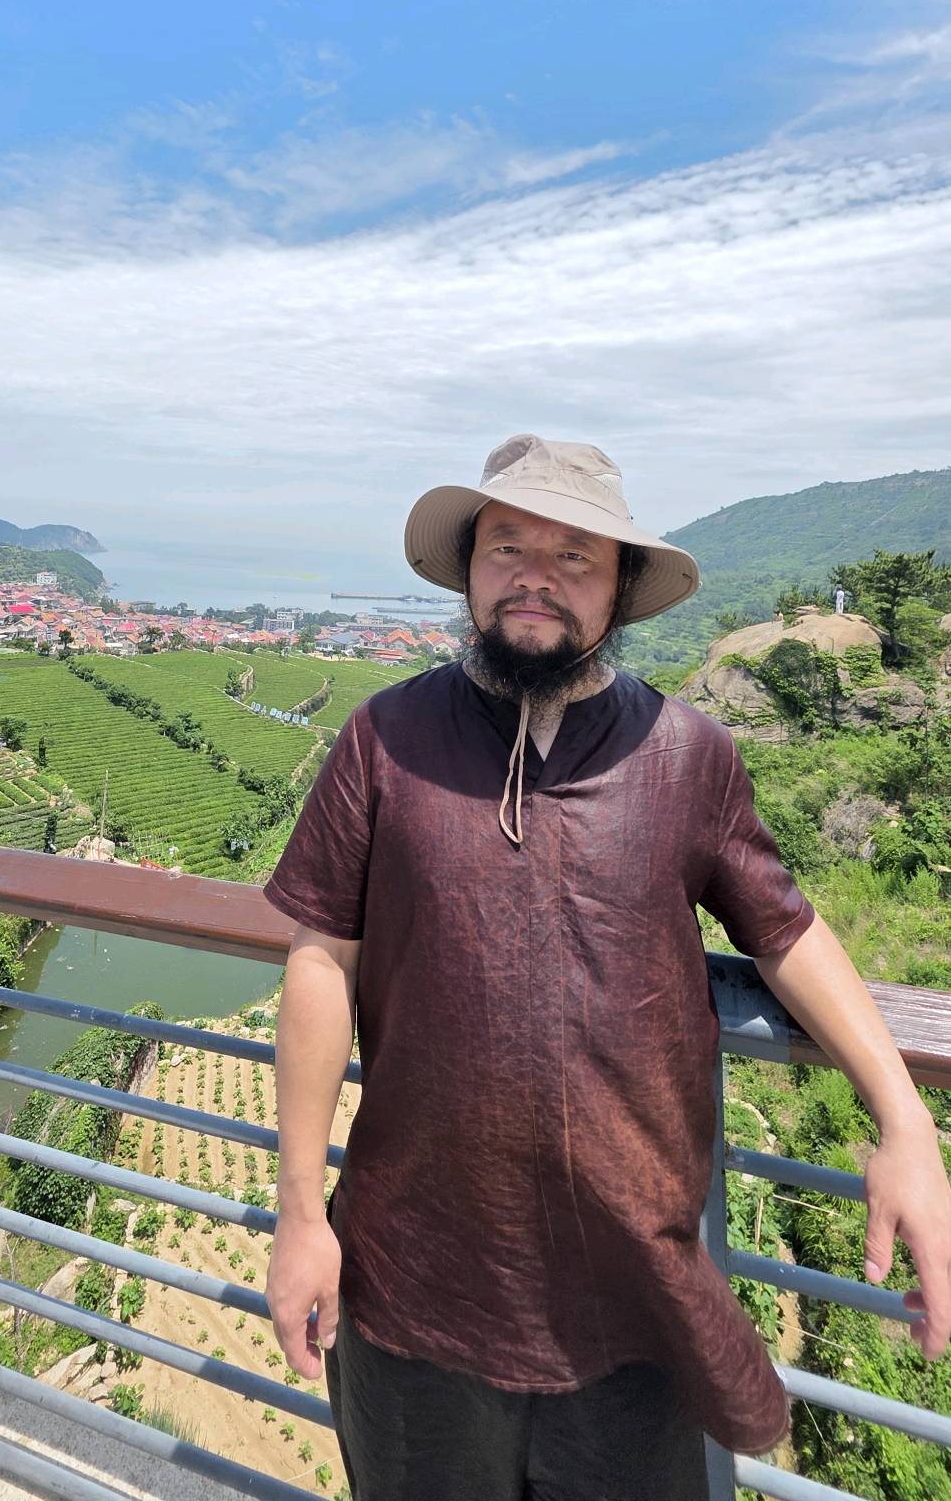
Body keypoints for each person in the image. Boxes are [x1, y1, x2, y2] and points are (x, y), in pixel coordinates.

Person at [264, 436, 951, 1500]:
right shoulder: (383, 738)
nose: (534, 575)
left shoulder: (687, 756)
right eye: (507, 546)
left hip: (632, 1309)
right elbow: (319, 961)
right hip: (412, 1288)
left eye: (575, 555)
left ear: (622, 586)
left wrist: (903, 1121)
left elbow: (786, 933)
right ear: (469, 568)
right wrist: (302, 1213)